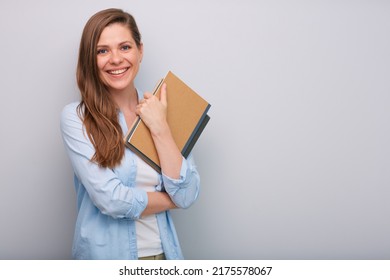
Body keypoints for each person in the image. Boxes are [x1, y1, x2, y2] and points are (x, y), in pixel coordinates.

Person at [60, 8, 200, 260]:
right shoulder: (76, 118)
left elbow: (188, 193)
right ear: (91, 59)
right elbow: (112, 200)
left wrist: (161, 127)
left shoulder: (165, 109)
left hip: (164, 257)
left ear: (140, 51)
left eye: (125, 47)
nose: (115, 59)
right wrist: (172, 200)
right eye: (102, 51)